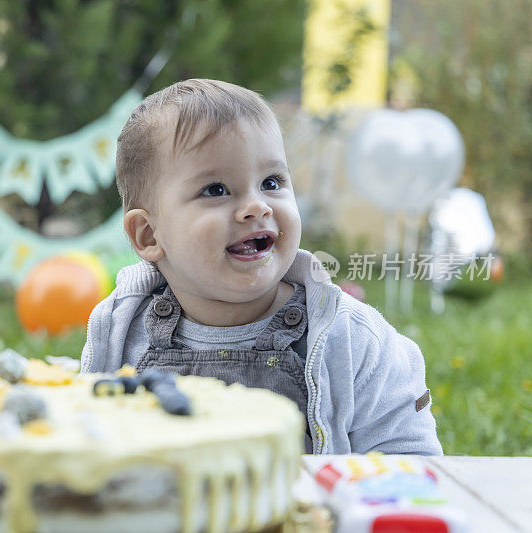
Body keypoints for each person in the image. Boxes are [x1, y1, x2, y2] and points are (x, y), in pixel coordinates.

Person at [80, 79, 442, 455]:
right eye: (216, 190)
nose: (258, 206)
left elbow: (411, 465)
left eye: (271, 182)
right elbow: (83, 444)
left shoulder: (351, 340)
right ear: (150, 234)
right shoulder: (120, 333)